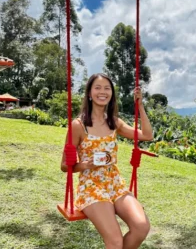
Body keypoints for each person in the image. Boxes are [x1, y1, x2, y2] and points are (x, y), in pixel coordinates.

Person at [61, 73, 153, 249]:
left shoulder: (114, 122)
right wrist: (88, 164)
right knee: (115, 241)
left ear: (111, 94)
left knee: (141, 227)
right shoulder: (78, 126)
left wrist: (140, 105)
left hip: (115, 184)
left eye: (107, 88)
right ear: (89, 93)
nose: (102, 92)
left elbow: (147, 135)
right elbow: (65, 165)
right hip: (91, 187)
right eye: (97, 88)